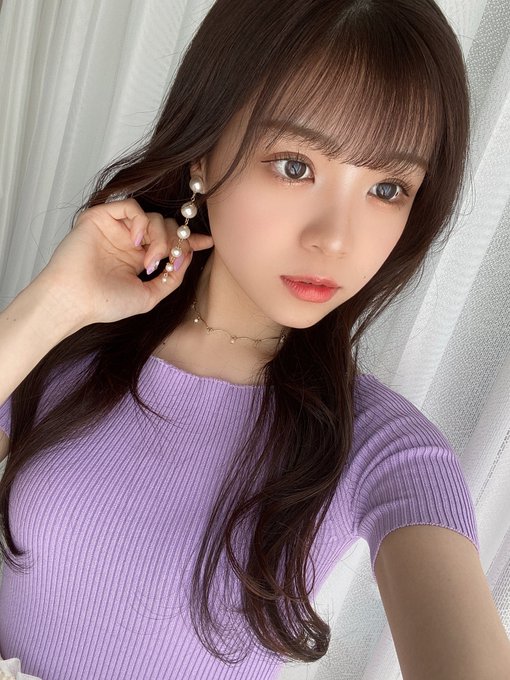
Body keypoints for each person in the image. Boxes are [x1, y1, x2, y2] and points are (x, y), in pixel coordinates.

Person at [0, 0, 509, 678]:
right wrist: (55, 303)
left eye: (388, 188)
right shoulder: (74, 352)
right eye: (295, 166)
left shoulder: (386, 450)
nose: (335, 238)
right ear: (203, 155)